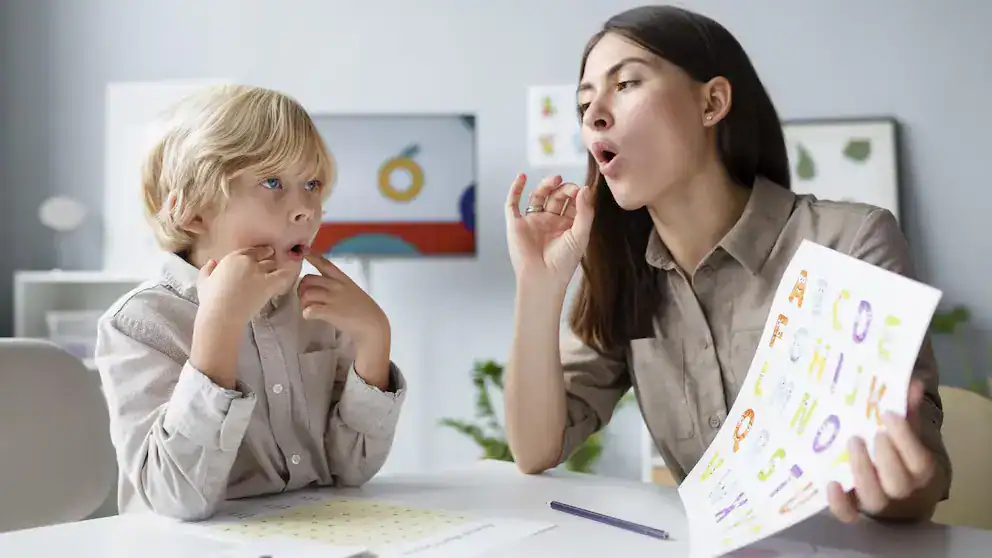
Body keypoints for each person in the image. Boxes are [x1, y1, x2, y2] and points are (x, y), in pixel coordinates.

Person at [503, 5, 950, 523]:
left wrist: (901, 486)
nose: (594, 114)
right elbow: (535, 449)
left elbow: (918, 475)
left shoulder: (851, 242)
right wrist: (538, 286)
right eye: (584, 102)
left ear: (712, 101)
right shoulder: (625, 273)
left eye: (625, 84)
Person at [95, 84, 406, 520]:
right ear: (193, 211)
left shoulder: (318, 309)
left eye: (312, 184)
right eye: (273, 182)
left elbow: (351, 470)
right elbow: (174, 496)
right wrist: (220, 325)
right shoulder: (140, 323)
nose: (305, 210)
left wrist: (375, 340)